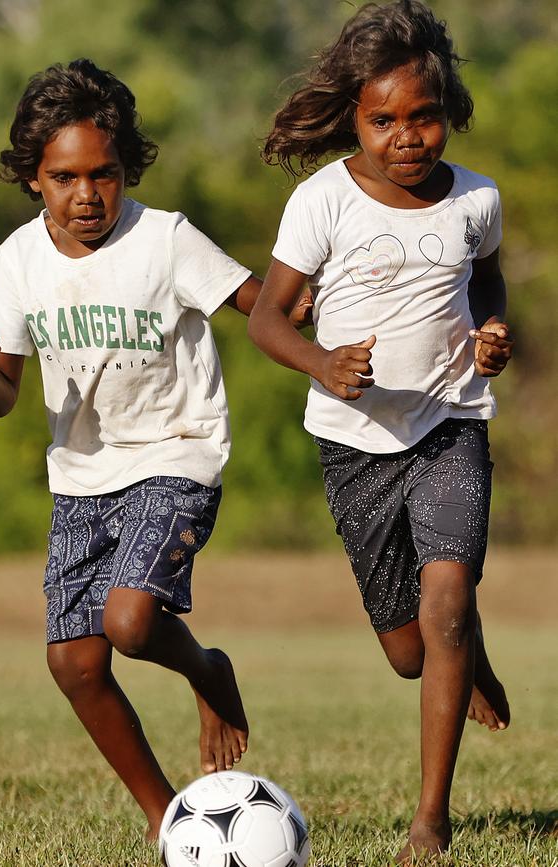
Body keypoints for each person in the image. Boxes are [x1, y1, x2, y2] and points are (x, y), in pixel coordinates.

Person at [0, 58, 284, 840]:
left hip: (177, 451)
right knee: (74, 662)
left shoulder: (165, 239)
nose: (87, 194)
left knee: (131, 621)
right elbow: (3, 395)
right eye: (65, 177)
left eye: (104, 173)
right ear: (34, 178)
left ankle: (209, 670)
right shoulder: (18, 258)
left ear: (125, 166)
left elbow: (258, 301)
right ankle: (165, 820)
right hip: (81, 474)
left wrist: (322, 308)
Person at [248, 1, 513, 862]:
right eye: (383, 119)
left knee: (445, 606)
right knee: (411, 651)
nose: (407, 135)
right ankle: (463, 649)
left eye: (424, 116)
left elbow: (487, 283)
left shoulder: (476, 199)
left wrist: (492, 332)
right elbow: (269, 321)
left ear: (450, 111)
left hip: (451, 423)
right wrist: (324, 362)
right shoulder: (322, 200)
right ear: (354, 119)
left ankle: (430, 820)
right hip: (354, 442)